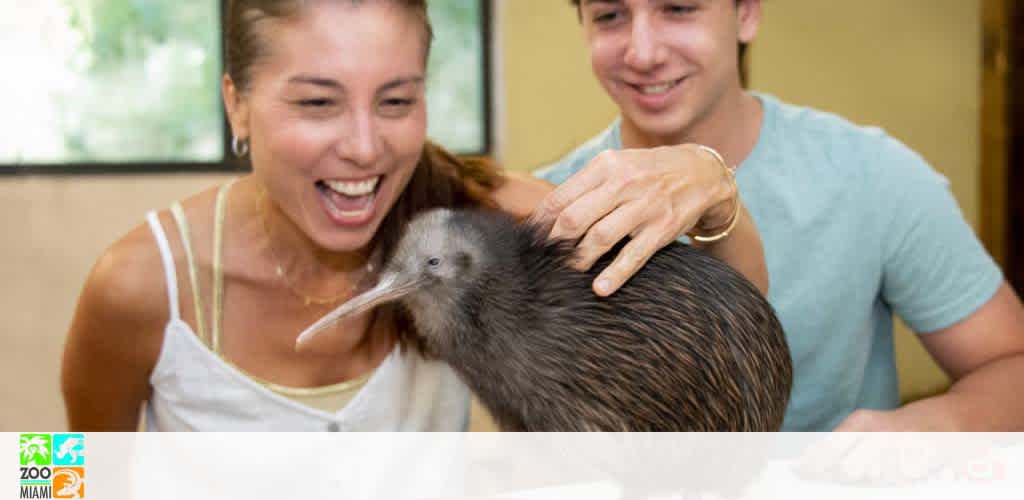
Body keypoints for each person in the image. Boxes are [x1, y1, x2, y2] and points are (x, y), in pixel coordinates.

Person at [60, 0, 767, 431]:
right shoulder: (142, 286)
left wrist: (715, 189)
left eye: (396, 101)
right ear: (236, 103)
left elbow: (738, 323)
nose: (366, 147)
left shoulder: (475, 226)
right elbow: (55, 463)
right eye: (317, 102)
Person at [538, 0, 1024, 431]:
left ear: (746, 13)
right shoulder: (547, 208)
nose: (642, 53)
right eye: (609, 16)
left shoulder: (874, 174)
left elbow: (1011, 364)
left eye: (680, 9)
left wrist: (934, 425)